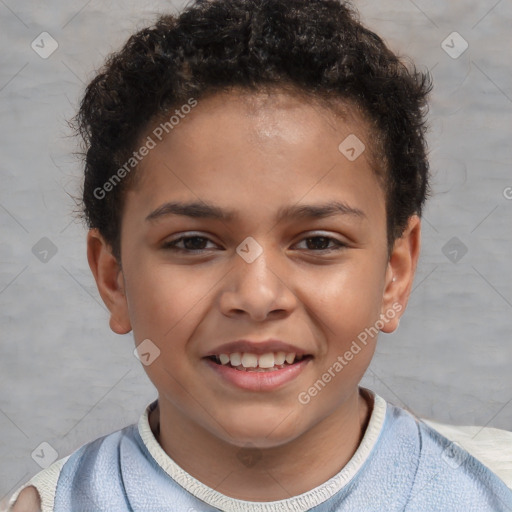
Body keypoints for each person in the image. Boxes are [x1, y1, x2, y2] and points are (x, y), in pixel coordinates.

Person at [9, 0, 512, 510]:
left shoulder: (490, 489)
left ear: (394, 275)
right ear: (113, 278)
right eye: (193, 242)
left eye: (318, 242)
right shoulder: (53, 504)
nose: (256, 296)